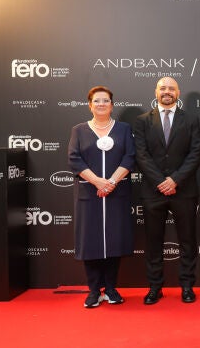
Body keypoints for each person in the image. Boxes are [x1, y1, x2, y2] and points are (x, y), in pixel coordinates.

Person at [133, 77, 200, 305]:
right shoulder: (142, 121)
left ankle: (187, 286)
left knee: (187, 241)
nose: (167, 91)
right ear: (156, 91)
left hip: (184, 190)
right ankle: (155, 287)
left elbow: (195, 153)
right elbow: (141, 155)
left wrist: (175, 180)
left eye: (171, 88)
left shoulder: (191, 120)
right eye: (163, 88)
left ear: (178, 93)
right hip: (153, 191)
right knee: (153, 242)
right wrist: (160, 182)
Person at [68, 86, 135, 308]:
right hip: (89, 194)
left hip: (117, 194)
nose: (101, 104)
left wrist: (111, 182)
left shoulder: (123, 129)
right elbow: (74, 159)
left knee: (114, 240)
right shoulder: (79, 130)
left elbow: (129, 157)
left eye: (105, 100)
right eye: (96, 101)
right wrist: (98, 182)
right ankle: (94, 290)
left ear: (112, 105)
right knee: (90, 241)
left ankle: (111, 288)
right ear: (90, 105)